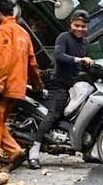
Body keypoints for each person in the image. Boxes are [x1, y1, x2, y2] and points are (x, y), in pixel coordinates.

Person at [0, 0, 42, 175]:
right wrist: (37, 84)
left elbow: (3, 56)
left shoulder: (4, 29)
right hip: (17, 87)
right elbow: (32, 61)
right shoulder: (23, 32)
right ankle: (14, 152)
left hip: (3, 86)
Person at [27, 9, 94, 169]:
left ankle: (88, 151)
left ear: (87, 27)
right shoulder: (63, 38)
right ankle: (34, 151)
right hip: (58, 83)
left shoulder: (85, 42)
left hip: (74, 84)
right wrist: (79, 59)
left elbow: (88, 63)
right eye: (76, 25)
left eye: (83, 26)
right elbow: (58, 56)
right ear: (71, 24)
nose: (79, 29)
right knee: (55, 114)